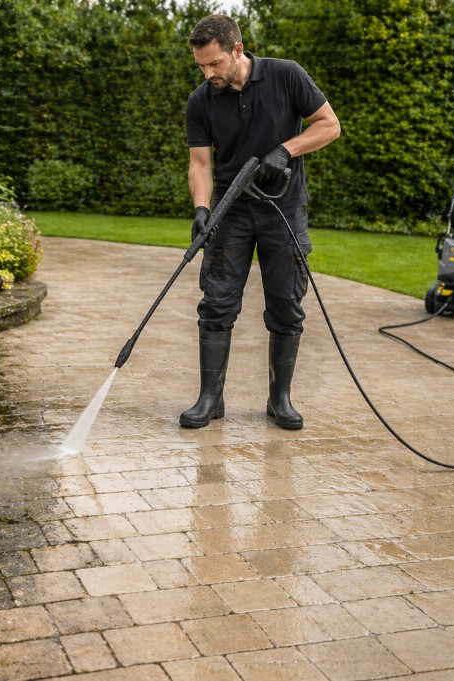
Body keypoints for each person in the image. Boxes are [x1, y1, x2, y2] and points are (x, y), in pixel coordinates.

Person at [180, 14, 341, 430]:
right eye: (201, 65)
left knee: (287, 304)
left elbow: (329, 126)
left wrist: (287, 150)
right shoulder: (200, 101)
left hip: (284, 211)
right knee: (216, 303)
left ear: (237, 49)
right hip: (229, 213)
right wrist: (201, 209)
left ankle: (279, 399)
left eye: (214, 63)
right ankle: (210, 399)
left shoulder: (286, 76)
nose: (207, 73)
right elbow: (200, 163)